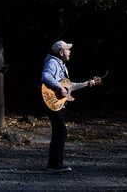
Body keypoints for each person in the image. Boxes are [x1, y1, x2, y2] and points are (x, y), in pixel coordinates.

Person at [40, 40, 96, 172]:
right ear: (61, 52)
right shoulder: (53, 62)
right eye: (67, 49)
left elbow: (69, 86)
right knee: (61, 131)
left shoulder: (62, 65)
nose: (70, 51)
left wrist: (87, 83)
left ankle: (55, 164)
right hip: (52, 102)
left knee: (59, 131)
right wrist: (59, 88)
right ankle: (55, 165)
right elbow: (45, 76)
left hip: (59, 104)